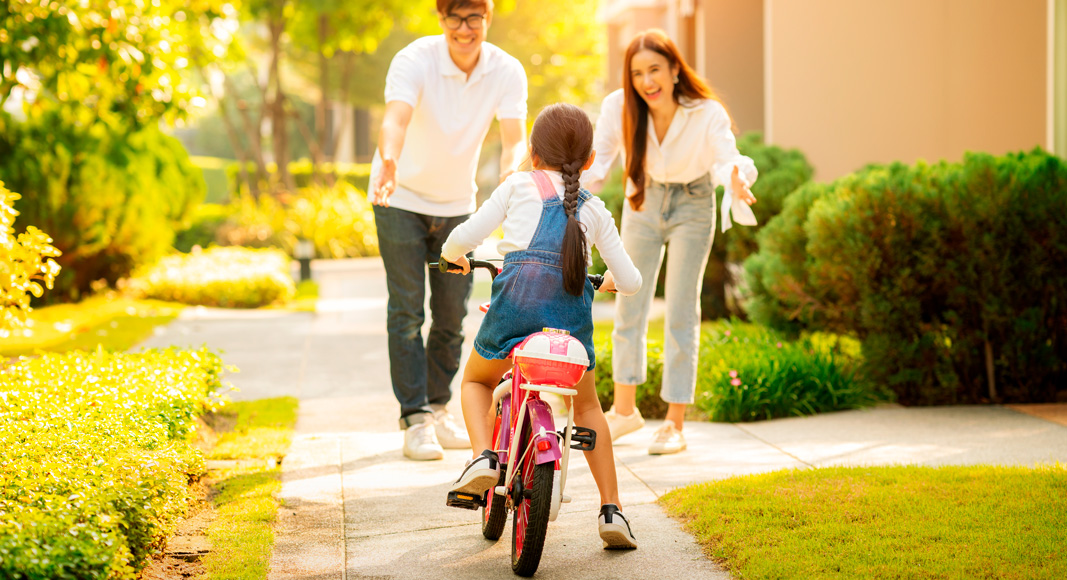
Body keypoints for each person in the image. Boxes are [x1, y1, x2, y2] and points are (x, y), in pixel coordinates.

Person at [439, 103, 642, 549]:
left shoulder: (516, 187)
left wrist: (452, 258)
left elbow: (462, 238)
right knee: (589, 411)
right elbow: (631, 281)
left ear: (533, 154)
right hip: (568, 334)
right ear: (589, 161)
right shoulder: (595, 210)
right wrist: (605, 283)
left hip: (514, 314)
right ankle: (613, 511)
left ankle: (483, 458)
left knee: (474, 381)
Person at [584, 29, 758, 455]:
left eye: (655, 70)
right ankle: (625, 412)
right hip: (642, 199)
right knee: (628, 301)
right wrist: (564, 187)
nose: (647, 81)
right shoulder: (618, 107)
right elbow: (600, 162)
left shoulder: (705, 112)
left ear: (676, 70)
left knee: (681, 308)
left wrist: (736, 176)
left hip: (693, 204)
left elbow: (725, 157)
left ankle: (674, 423)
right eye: (638, 73)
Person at [369, 0, 528, 461]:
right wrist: (391, 159)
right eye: (455, 18)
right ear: (441, 19)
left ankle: (439, 408)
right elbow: (395, 117)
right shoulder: (415, 59)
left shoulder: (505, 70)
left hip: (458, 204)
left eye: (473, 17)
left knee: (451, 314)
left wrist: (510, 172)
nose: (464, 28)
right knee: (406, 311)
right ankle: (415, 418)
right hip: (397, 198)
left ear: (488, 19)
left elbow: (514, 133)